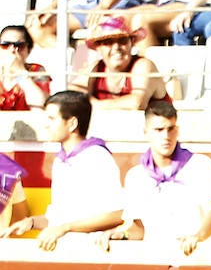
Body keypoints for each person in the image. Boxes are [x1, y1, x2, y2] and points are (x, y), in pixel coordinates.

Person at [95, 99, 211, 254]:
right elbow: (139, 230)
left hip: (196, 258)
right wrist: (120, 234)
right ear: (146, 132)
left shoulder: (201, 165)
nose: (166, 136)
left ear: (177, 130)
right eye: (159, 130)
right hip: (156, 260)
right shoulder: (136, 176)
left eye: (170, 129)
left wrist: (197, 237)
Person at [1, 91, 122, 250]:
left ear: (72, 123)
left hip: (90, 253)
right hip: (63, 253)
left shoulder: (97, 157)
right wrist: (30, 222)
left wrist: (65, 228)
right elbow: (56, 219)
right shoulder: (60, 161)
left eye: (52, 119)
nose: (46, 125)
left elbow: (116, 214)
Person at [70, 15, 171, 109]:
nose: (116, 47)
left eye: (122, 41)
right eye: (108, 42)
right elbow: (73, 92)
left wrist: (92, 104)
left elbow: (136, 103)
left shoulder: (143, 65)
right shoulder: (96, 68)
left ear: (131, 43)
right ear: (99, 48)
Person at [0, 25, 51, 111]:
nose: (12, 50)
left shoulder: (36, 70)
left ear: (29, 49)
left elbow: (40, 107)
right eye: (5, 44)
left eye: (19, 45)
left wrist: (20, 72)